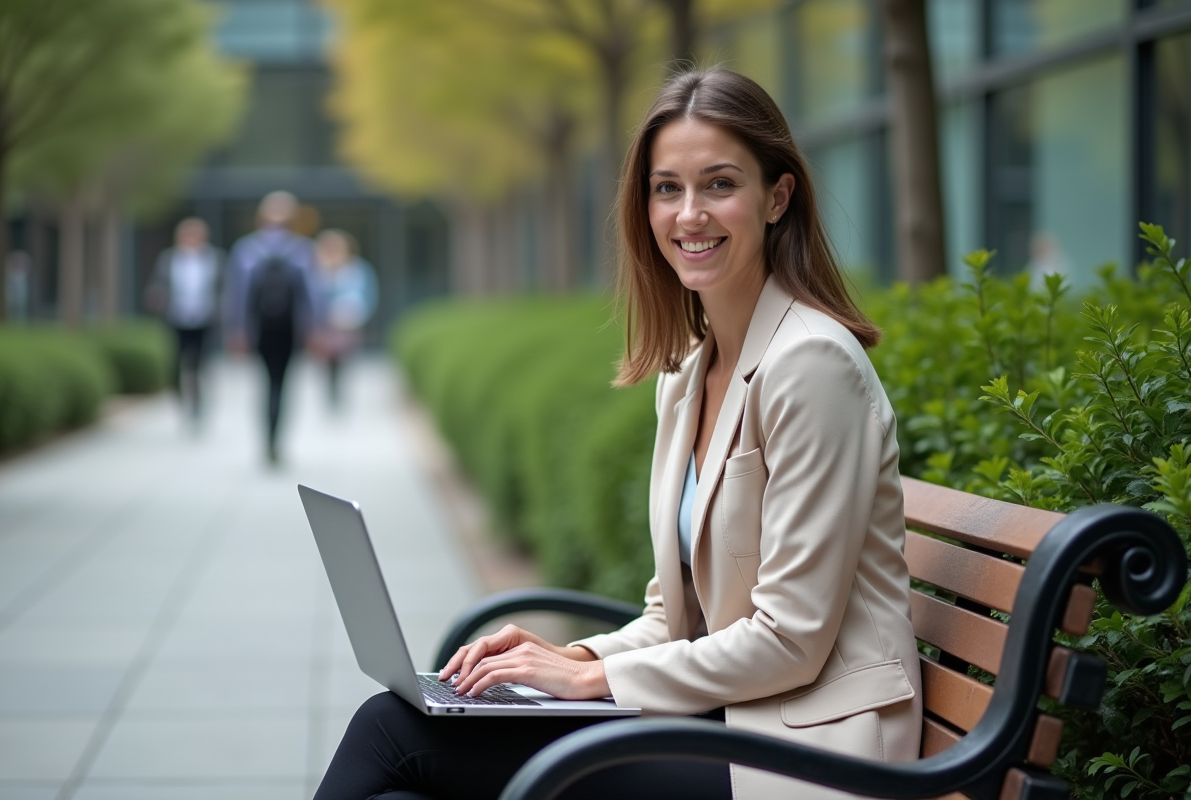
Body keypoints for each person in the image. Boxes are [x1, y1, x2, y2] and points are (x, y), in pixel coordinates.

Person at [314, 68, 921, 800]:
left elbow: (792, 638)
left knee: (391, 733)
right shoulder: (690, 373)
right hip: (726, 722)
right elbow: (675, 614)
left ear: (777, 197)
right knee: (403, 766)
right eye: (667, 188)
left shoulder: (813, 365)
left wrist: (589, 677)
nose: (689, 214)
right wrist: (566, 654)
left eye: (719, 184)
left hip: (812, 750)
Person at [223, 191, 316, 465]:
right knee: (282, 383)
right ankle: (276, 440)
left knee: (266, 384)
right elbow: (313, 294)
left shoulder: (246, 249)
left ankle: (268, 439)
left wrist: (237, 330)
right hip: (289, 330)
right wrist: (315, 328)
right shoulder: (301, 249)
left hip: (260, 329)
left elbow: (237, 295)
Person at [145, 218, 223, 422]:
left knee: (198, 363)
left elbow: (222, 288)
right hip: (176, 318)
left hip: (204, 319)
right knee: (175, 364)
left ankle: (197, 402)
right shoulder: (168, 258)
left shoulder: (214, 258)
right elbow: (158, 283)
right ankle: (180, 396)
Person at [312, 229, 378, 408]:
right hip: (324, 325)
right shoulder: (317, 270)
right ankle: (330, 394)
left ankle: (340, 394)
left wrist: (358, 314)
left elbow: (368, 295)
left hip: (348, 325)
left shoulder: (358, 270)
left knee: (345, 360)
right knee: (326, 363)